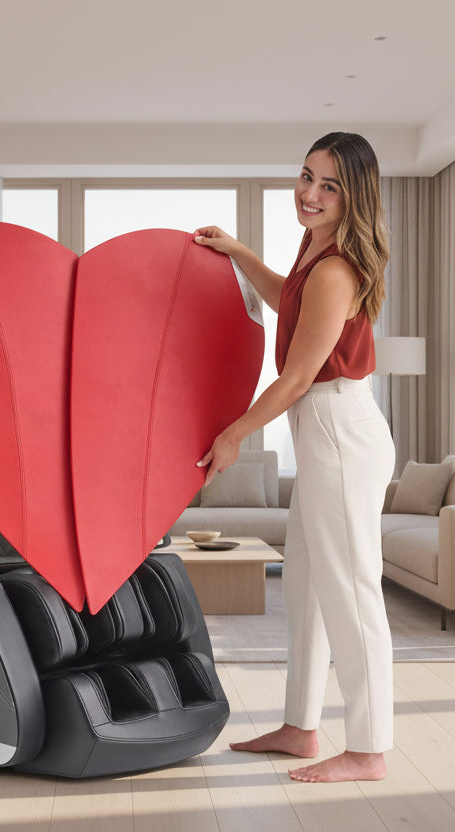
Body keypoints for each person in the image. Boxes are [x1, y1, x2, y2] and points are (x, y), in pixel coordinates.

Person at [194, 132, 395, 783]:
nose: (309, 194)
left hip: (339, 429)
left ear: (352, 196)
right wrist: (240, 253)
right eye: (306, 175)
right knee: (308, 587)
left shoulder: (337, 268)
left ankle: (368, 748)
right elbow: (291, 303)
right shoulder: (319, 247)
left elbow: (298, 376)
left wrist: (234, 436)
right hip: (323, 432)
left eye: (329, 186)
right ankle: (300, 727)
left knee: (352, 591)